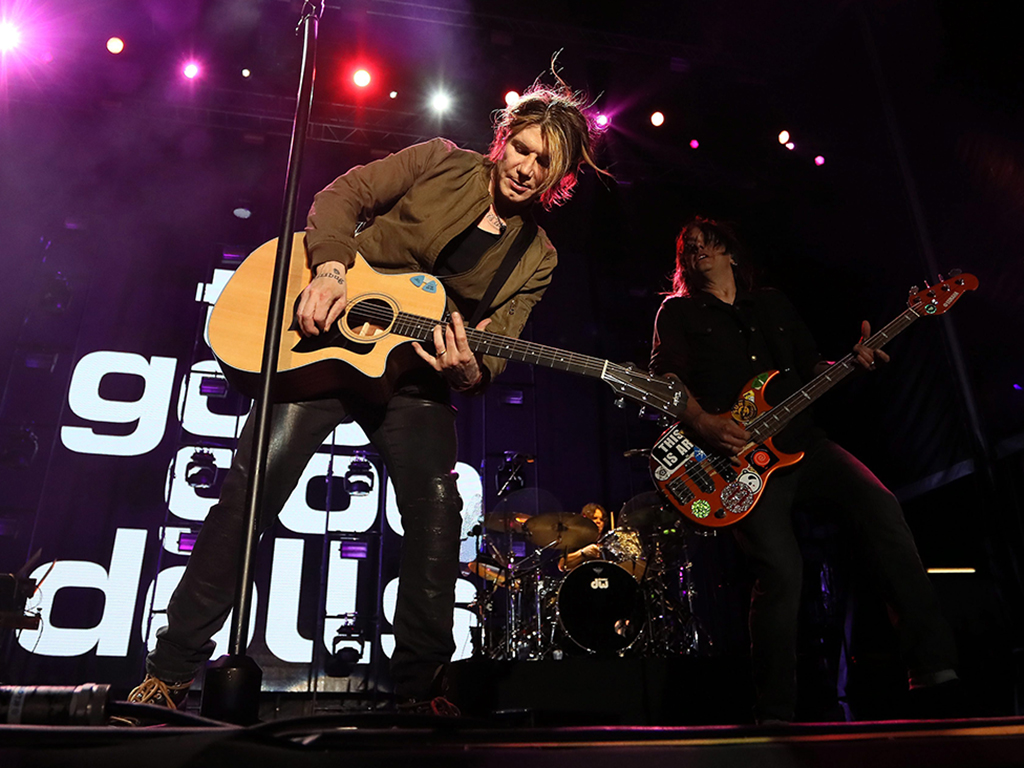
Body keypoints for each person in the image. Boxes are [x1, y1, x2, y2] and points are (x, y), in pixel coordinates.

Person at [129, 76, 604, 713]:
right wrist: (329, 269)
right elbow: (341, 195)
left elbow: (494, 349)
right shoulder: (439, 160)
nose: (526, 168)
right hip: (326, 346)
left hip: (414, 381)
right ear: (503, 140)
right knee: (252, 489)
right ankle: (168, 670)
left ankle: (418, 690)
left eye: (544, 163)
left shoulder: (537, 257)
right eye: (522, 148)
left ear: (560, 178)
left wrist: (468, 373)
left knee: (440, 514)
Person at [649, 216, 958, 724]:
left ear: (730, 252)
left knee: (881, 507)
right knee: (780, 572)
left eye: (709, 243)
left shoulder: (772, 303)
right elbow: (664, 381)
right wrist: (703, 423)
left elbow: (810, 367)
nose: (699, 251)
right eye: (689, 249)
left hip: (803, 444)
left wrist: (852, 362)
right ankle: (775, 714)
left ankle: (932, 666)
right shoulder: (677, 312)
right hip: (733, 462)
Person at [559, 502, 609, 571]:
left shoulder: (607, 541)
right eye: (595, 518)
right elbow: (562, 566)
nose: (599, 522)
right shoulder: (575, 539)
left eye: (601, 519)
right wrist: (583, 553)